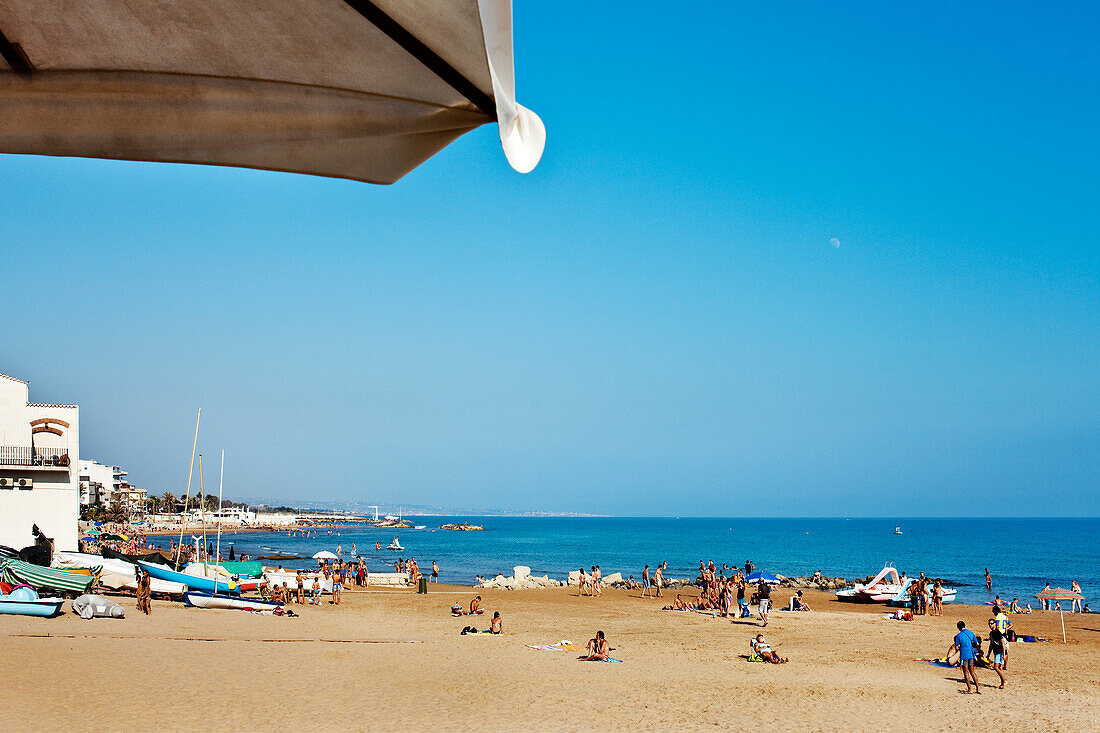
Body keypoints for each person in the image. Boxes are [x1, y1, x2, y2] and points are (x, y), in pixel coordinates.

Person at [952, 621, 982, 694]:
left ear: (958, 627)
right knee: (972, 672)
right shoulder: (971, 633)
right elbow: (977, 643)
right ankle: (978, 688)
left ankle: (969, 689)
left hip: (964, 655)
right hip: (971, 654)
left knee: (966, 672)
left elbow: (956, 646)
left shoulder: (959, 635)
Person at [987, 618, 1007, 688]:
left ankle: (1004, 681)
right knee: (999, 668)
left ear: (995, 624)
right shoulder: (991, 633)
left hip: (1000, 652)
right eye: (989, 624)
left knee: (996, 667)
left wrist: (1004, 654)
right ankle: (1002, 683)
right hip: (996, 652)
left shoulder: (997, 632)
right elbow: (991, 645)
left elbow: (1003, 643)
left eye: (992, 623)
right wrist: (988, 654)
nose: (990, 625)